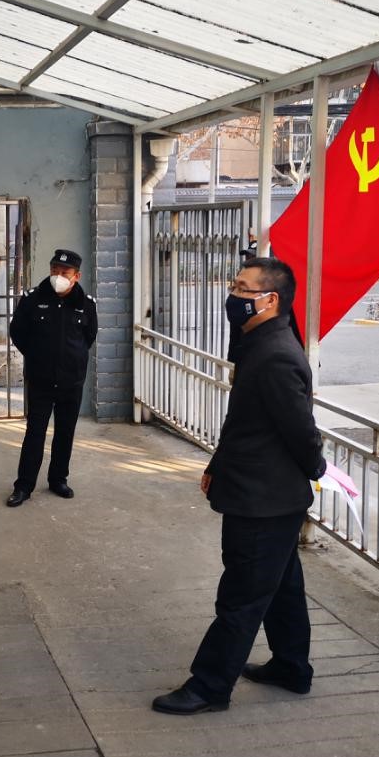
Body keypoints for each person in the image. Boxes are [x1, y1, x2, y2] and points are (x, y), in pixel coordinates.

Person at [152, 257, 327, 714]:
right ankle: (291, 667)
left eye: (243, 288)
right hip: (262, 492)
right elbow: (246, 423)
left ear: (270, 300)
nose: (233, 295)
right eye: (234, 285)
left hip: (264, 501)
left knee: (242, 596)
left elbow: (301, 430)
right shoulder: (257, 342)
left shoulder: (276, 356)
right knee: (282, 588)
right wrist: (218, 463)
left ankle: (210, 687)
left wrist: (317, 468)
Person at [6, 248, 97, 508]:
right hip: (41, 380)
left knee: (65, 433)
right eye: (54, 270)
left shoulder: (86, 304)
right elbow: (17, 332)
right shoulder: (32, 299)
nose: (58, 275)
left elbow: (89, 337)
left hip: (71, 381)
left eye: (65, 272)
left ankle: (58, 479)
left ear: (76, 276)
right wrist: (37, 356)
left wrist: (72, 358)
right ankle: (24, 486)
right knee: (35, 433)